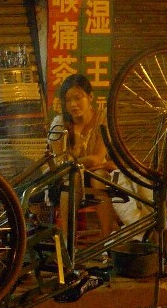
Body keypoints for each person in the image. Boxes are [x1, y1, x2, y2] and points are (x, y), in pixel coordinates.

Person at [49, 74, 118, 240]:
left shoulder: (102, 118)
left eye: (78, 98)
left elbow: (98, 158)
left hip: (96, 172)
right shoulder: (60, 123)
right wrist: (78, 156)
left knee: (99, 177)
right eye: (68, 100)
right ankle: (69, 243)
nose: (73, 104)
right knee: (72, 178)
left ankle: (106, 241)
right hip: (67, 177)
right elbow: (59, 162)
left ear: (90, 97)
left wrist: (74, 161)